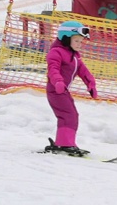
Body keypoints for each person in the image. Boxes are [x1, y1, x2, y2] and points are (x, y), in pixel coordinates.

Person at [45, 20, 97, 154]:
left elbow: (83, 71)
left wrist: (91, 84)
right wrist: (58, 82)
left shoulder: (74, 56)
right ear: (66, 38)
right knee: (68, 115)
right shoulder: (56, 52)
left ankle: (65, 143)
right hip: (55, 90)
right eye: (77, 41)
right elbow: (53, 70)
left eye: (81, 41)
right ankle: (65, 144)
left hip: (63, 91)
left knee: (72, 115)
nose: (80, 45)